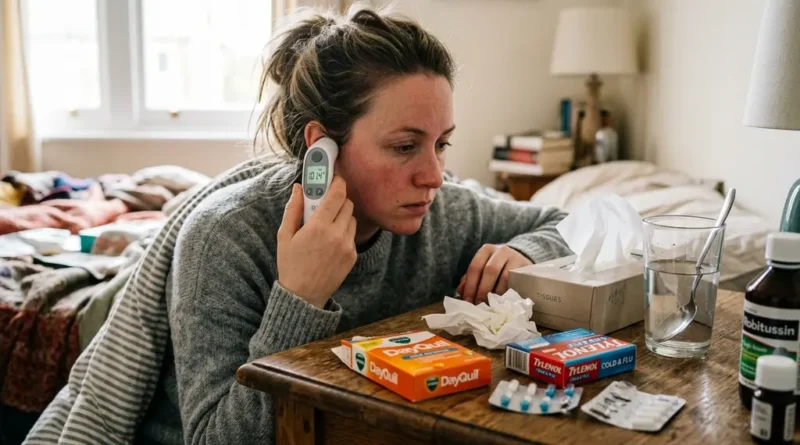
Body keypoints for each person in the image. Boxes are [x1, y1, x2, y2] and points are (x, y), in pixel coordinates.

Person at [32, 5, 572, 445]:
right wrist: (300, 299)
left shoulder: (445, 210)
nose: (434, 175)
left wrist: (528, 249)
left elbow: (569, 220)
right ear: (323, 147)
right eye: (405, 147)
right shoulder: (225, 238)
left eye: (442, 143)